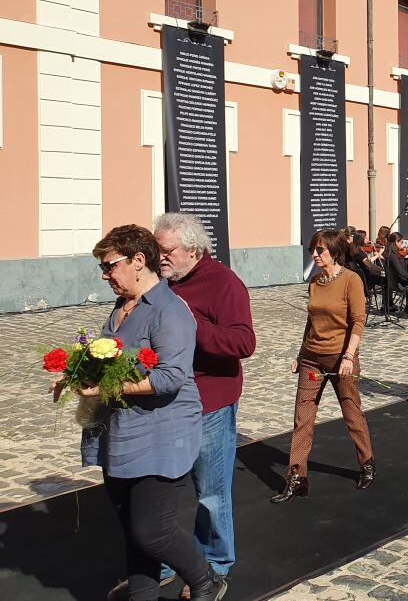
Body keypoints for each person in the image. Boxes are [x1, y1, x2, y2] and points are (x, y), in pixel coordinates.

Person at [76, 225, 226, 601]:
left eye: (109, 266)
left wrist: (108, 388)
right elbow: (107, 358)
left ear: (138, 261)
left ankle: (206, 578)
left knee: (152, 531)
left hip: (162, 435)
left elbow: (170, 377)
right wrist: (76, 374)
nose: (105, 274)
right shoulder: (121, 307)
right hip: (121, 435)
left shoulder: (169, 310)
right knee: (132, 529)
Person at [151, 213, 254, 591]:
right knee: (160, 488)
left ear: (192, 250)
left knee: (210, 491)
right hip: (163, 400)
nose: (158, 258)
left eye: (166, 251)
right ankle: (164, 561)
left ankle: (214, 562)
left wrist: (195, 326)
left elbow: (244, 343)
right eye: (156, 250)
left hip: (209, 401)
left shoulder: (223, 283)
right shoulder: (160, 284)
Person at [272, 230, 373, 502]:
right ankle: (296, 477)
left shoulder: (351, 280)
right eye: (313, 251)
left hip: (341, 358)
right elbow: (311, 322)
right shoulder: (315, 282)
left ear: (335, 252)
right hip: (312, 359)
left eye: (320, 250)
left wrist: (349, 357)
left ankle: (366, 463)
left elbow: (358, 321)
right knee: (302, 419)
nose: (315, 255)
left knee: (352, 413)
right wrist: (300, 352)